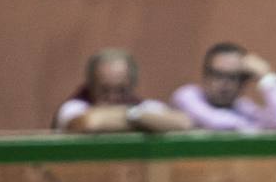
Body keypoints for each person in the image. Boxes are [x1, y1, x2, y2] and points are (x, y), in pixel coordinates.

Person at [171, 43, 276, 134]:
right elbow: (218, 124)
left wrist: (266, 76)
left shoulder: (243, 108)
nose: (224, 83)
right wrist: (258, 130)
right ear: (205, 76)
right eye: (217, 75)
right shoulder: (187, 96)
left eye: (232, 77)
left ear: (243, 82)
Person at [52, 49, 192, 133]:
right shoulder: (72, 107)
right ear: (91, 85)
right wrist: (143, 121)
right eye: (105, 90)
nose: (113, 97)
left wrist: (132, 114)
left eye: (121, 90)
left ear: (132, 85)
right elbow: (89, 123)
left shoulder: (141, 108)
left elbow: (182, 123)